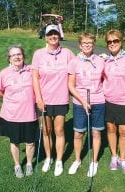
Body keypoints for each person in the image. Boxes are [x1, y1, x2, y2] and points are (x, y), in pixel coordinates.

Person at [32, 24, 75, 176]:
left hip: (61, 99)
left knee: (59, 130)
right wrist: (38, 98)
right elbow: (35, 78)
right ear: (45, 36)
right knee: (46, 131)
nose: (53, 36)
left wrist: (99, 58)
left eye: (55, 33)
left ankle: (58, 161)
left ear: (59, 35)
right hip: (43, 100)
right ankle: (48, 158)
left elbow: (78, 66)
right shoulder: (38, 54)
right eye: (50, 34)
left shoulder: (68, 53)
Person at [0, 45, 38, 178]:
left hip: (29, 114)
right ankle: (17, 165)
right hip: (11, 115)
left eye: (19, 54)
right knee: (14, 141)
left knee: (30, 142)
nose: (17, 57)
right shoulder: (4, 73)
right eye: (13, 55)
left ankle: (30, 164)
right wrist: (14, 100)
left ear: (23, 56)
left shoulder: (32, 70)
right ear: (9, 58)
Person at [102, 29, 125, 174]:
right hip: (108, 100)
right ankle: (113, 156)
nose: (112, 44)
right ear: (106, 44)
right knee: (111, 129)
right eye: (109, 41)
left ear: (121, 41)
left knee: (124, 131)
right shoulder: (105, 60)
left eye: (115, 40)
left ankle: (122, 159)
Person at [68, 32, 105, 177]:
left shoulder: (101, 61)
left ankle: (94, 161)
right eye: (84, 43)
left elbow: (109, 78)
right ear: (80, 45)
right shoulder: (74, 62)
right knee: (78, 133)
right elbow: (71, 85)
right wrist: (83, 101)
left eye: (90, 43)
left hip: (98, 101)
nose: (87, 45)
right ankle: (77, 160)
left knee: (96, 132)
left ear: (94, 45)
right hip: (80, 102)